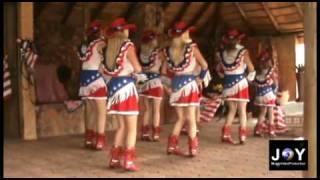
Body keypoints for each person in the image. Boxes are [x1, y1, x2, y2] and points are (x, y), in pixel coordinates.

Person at [100, 18, 145, 171]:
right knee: (131, 128)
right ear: (123, 31)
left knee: (121, 126)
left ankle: (114, 158)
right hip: (126, 89)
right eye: (126, 28)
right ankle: (128, 161)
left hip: (114, 88)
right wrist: (135, 71)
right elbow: (138, 68)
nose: (128, 31)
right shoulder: (128, 46)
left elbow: (103, 70)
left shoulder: (108, 47)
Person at [160, 21, 210, 157]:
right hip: (189, 84)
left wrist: (168, 87)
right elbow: (204, 65)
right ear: (185, 33)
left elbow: (163, 72)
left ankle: (171, 146)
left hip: (176, 84)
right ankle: (192, 149)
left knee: (180, 118)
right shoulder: (192, 47)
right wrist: (200, 78)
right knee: (191, 119)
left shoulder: (167, 51)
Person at [216, 28, 255, 144]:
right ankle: (242, 136)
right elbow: (251, 69)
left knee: (231, 110)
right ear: (239, 40)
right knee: (242, 110)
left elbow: (219, 70)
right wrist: (248, 80)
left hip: (228, 84)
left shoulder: (221, 53)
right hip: (240, 83)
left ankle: (225, 134)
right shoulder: (243, 51)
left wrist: (226, 77)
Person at [77, 20, 108, 150]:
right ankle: (99, 140)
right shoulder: (100, 43)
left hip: (85, 78)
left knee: (90, 111)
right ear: (99, 31)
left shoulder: (83, 46)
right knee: (101, 111)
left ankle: (89, 138)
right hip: (96, 78)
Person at [138, 29, 164, 142]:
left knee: (147, 109)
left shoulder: (140, 52)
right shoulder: (158, 52)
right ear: (153, 40)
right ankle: (155, 134)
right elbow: (163, 68)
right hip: (155, 82)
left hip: (143, 82)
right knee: (156, 110)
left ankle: (144, 133)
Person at [253, 49, 278, 137]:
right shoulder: (271, 72)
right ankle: (271, 131)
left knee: (262, 113)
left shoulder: (257, 73)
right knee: (270, 112)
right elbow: (274, 84)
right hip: (269, 95)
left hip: (259, 96)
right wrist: (275, 92)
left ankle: (258, 131)